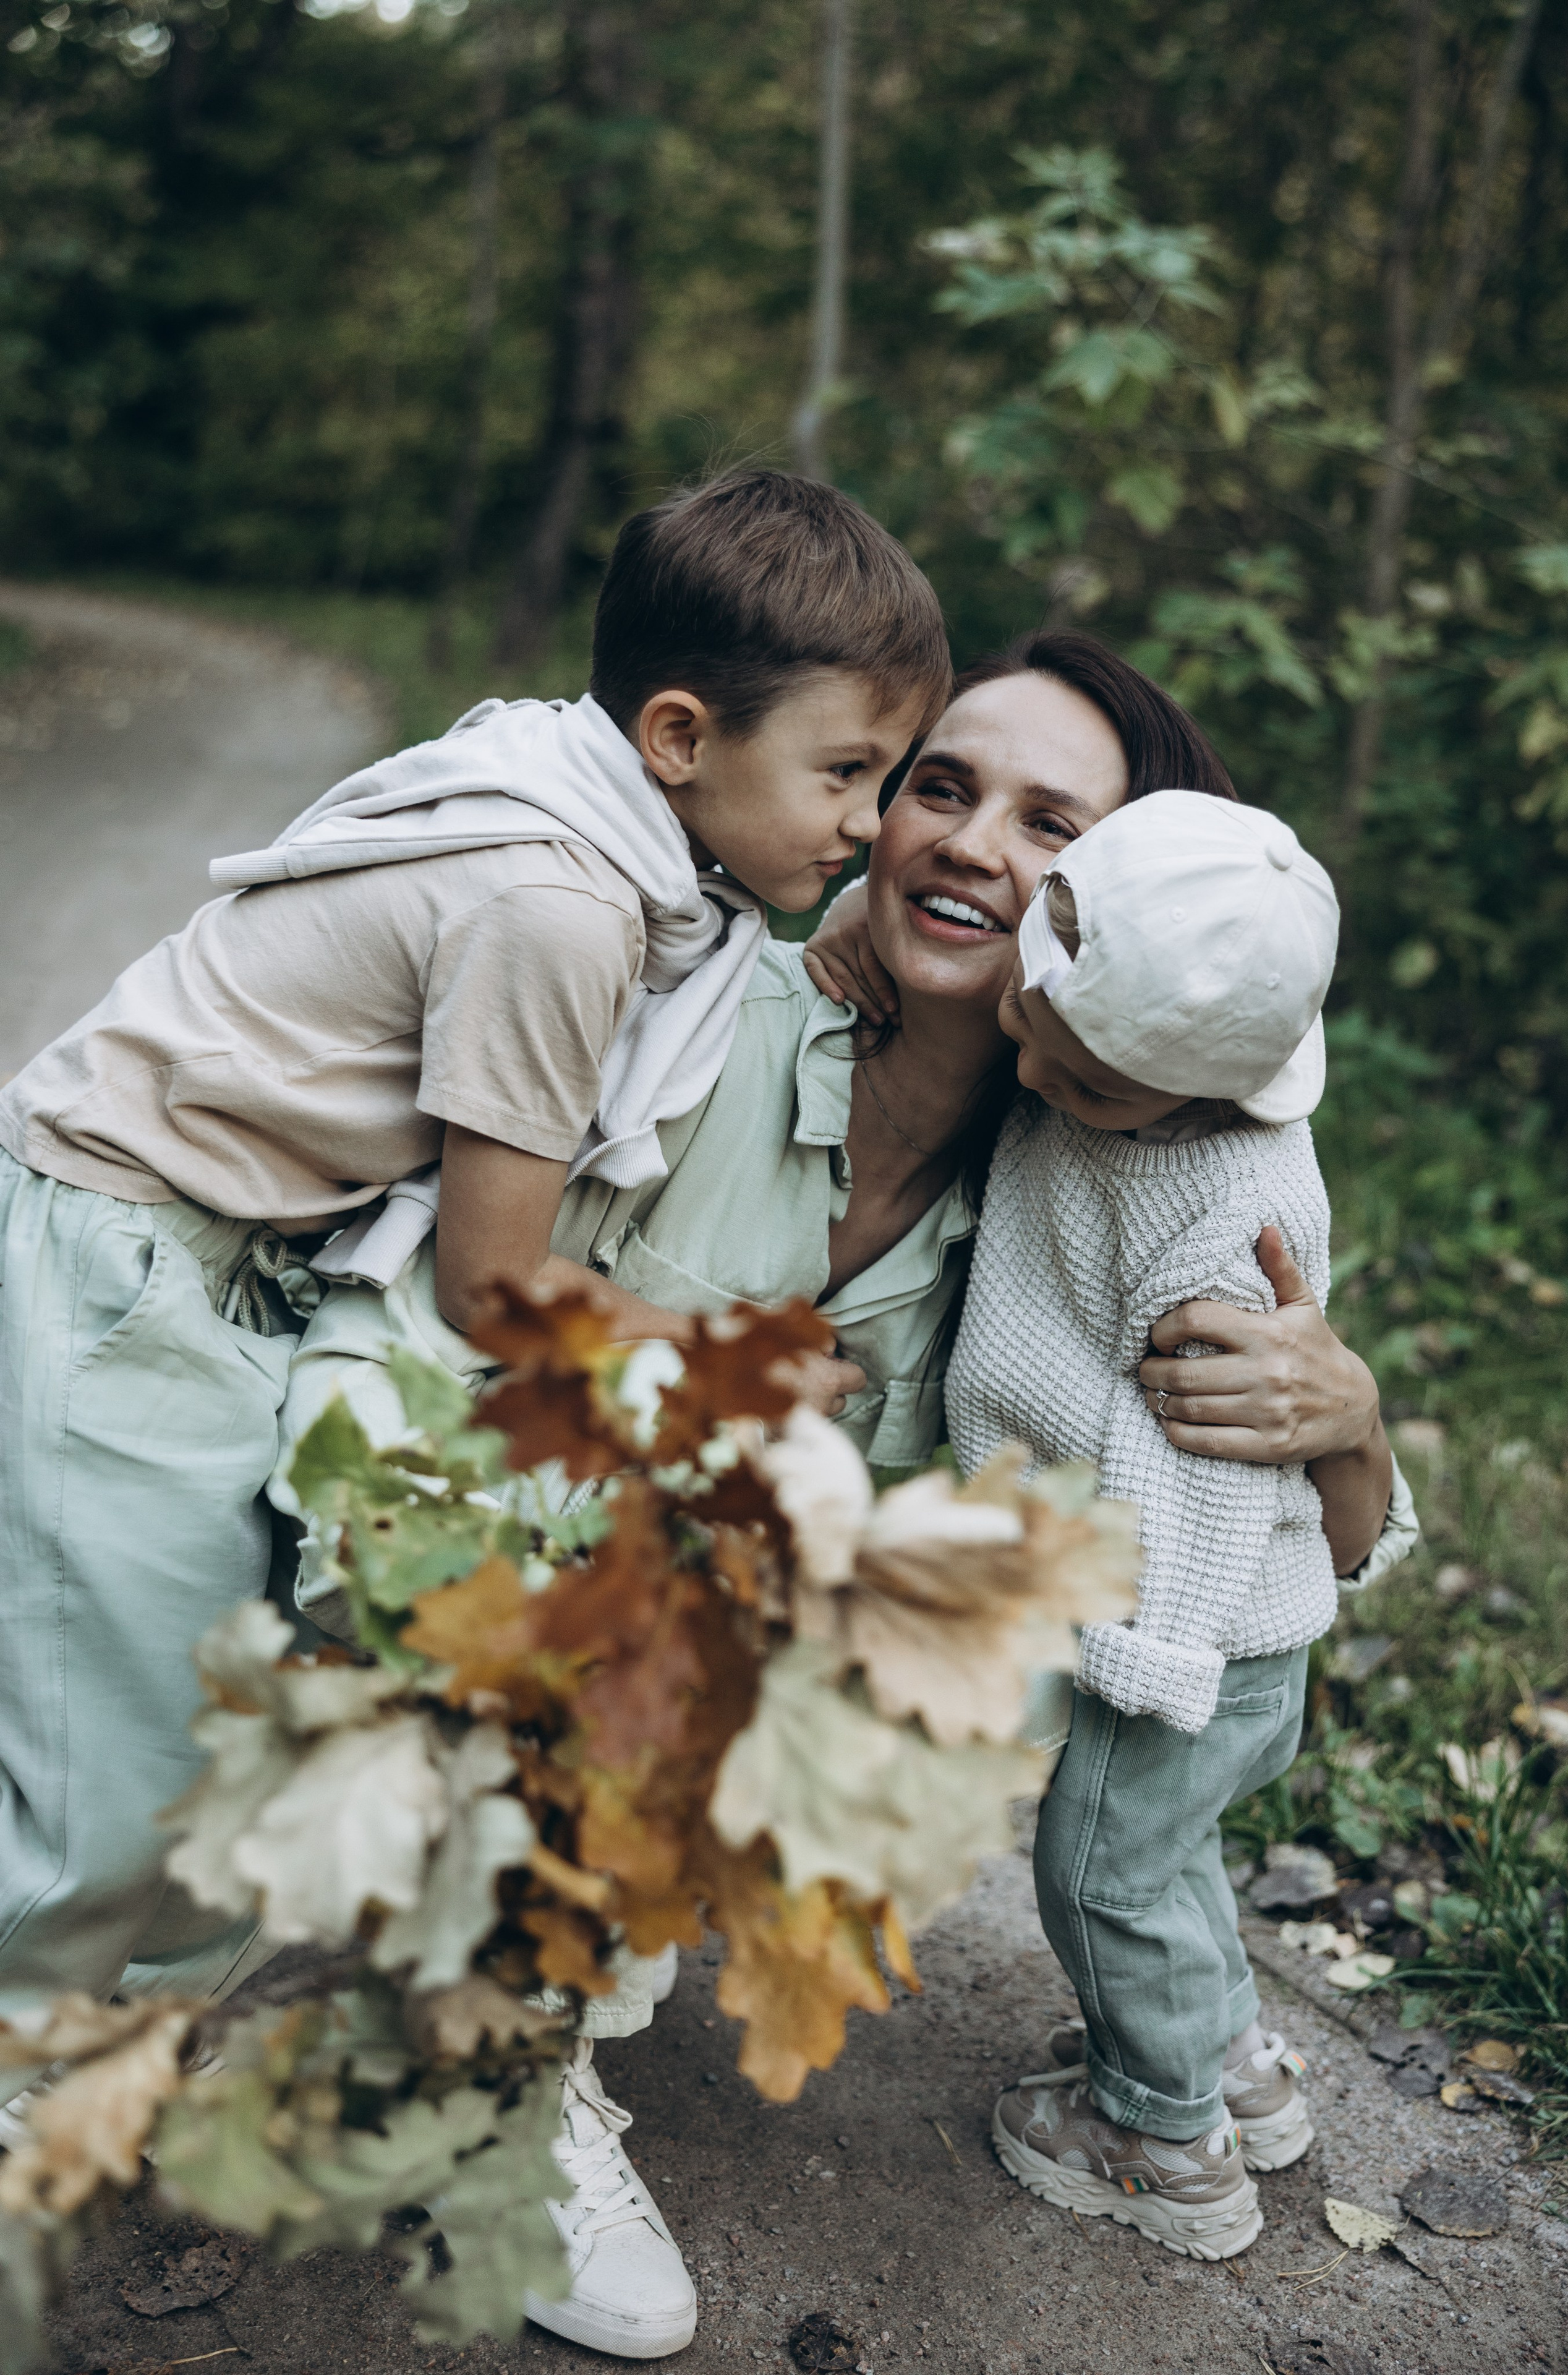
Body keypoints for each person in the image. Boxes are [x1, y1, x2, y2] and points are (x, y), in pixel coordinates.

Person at [288, 630, 1415, 2349]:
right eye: (935, 787)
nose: (968, 843)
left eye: (1052, 824)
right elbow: (421, 1307)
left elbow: (1327, 1555)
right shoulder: (683, 1010)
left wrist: (1349, 1423)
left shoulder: (1102, 1171)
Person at [0, 468, 950, 2066]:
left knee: (186, 1679)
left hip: (190, 1250)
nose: (872, 823)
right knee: (148, 1741)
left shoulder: (567, 798)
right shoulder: (560, 905)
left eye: (890, 776)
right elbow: (493, 1293)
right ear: (679, 739)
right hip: (124, 1253)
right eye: (849, 774)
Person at [944, 786, 1336, 2259]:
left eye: (1086, 1081)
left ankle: (1161, 2142)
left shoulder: (1215, 1221)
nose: (1031, 1066)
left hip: (1192, 1619)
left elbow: (1207, 1465)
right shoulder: (1141, 1046)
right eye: (1030, 1020)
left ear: (1207, 1092)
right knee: (1167, 1866)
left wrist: (1144, 1654)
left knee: (1101, 1868)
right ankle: (1233, 2064)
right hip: (1240, 1619)